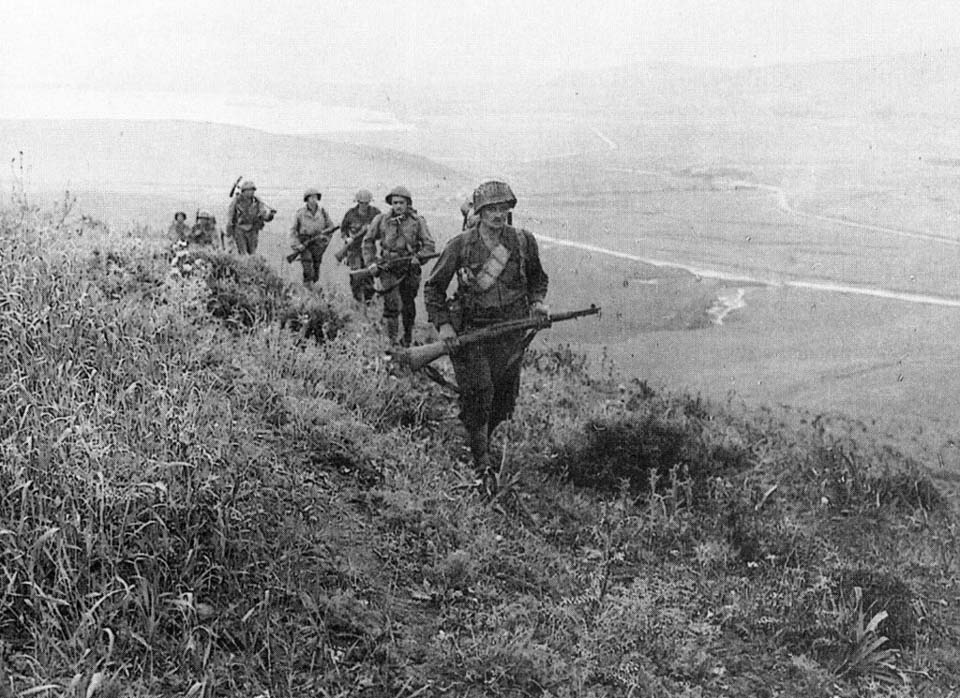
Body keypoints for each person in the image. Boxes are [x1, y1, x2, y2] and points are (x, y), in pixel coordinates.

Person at [424, 180, 549, 487]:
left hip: (511, 333)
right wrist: (444, 326)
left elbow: (537, 278)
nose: (498, 215)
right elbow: (433, 288)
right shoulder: (461, 244)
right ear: (478, 213)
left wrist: (537, 303)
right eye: (490, 209)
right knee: (480, 393)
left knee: (504, 398)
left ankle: (480, 437)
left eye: (503, 208)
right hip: (473, 330)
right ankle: (482, 462)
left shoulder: (522, 241)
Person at [362, 185, 436, 346]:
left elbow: (429, 245)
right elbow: (368, 241)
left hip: (409, 269)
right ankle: (392, 342)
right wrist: (371, 263)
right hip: (388, 268)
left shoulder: (417, 221)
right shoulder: (381, 220)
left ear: (408, 204)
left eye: (402, 203)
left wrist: (419, 258)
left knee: (408, 305)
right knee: (392, 305)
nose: (398, 206)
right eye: (395, 202)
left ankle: (407, 338)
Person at [339, 189, 381, 303]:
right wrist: (347, 239)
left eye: (366, 203)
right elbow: (343, 230)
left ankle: (368, 300)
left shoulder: (375, 213)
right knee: (356, 275)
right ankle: (358, 300)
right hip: (354, 250)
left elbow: (382, 231)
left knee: (369, 274)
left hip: (369, 250)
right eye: (361, 203)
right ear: (357, 202)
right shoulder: (350, 214)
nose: (364, 205)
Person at [289, 188, 336, 289]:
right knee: (307, 265)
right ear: (307, 199)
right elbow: (293, 231)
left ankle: (312, 289)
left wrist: (324, 239)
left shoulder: (323, 212)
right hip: (305, 242)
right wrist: (297, 245)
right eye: (311, 197)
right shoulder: (300, 213)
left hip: (318, 244)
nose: (314, 199)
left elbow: (330, 228)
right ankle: (307, 289)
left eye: (315, 197)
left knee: (316, 267)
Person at [226, 180, 276, 255]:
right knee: (243, 252)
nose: (251, 192)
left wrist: (270, 215)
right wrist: (230, 229)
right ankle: (244, 265)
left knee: (252, 252)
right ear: (243, 191)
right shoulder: (237, 201)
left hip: (253, 229)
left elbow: (263, 215)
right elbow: (230, 214)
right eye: (249, 190)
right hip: (240, 229)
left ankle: (251, 265)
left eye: (252, 190)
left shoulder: (257, 202)